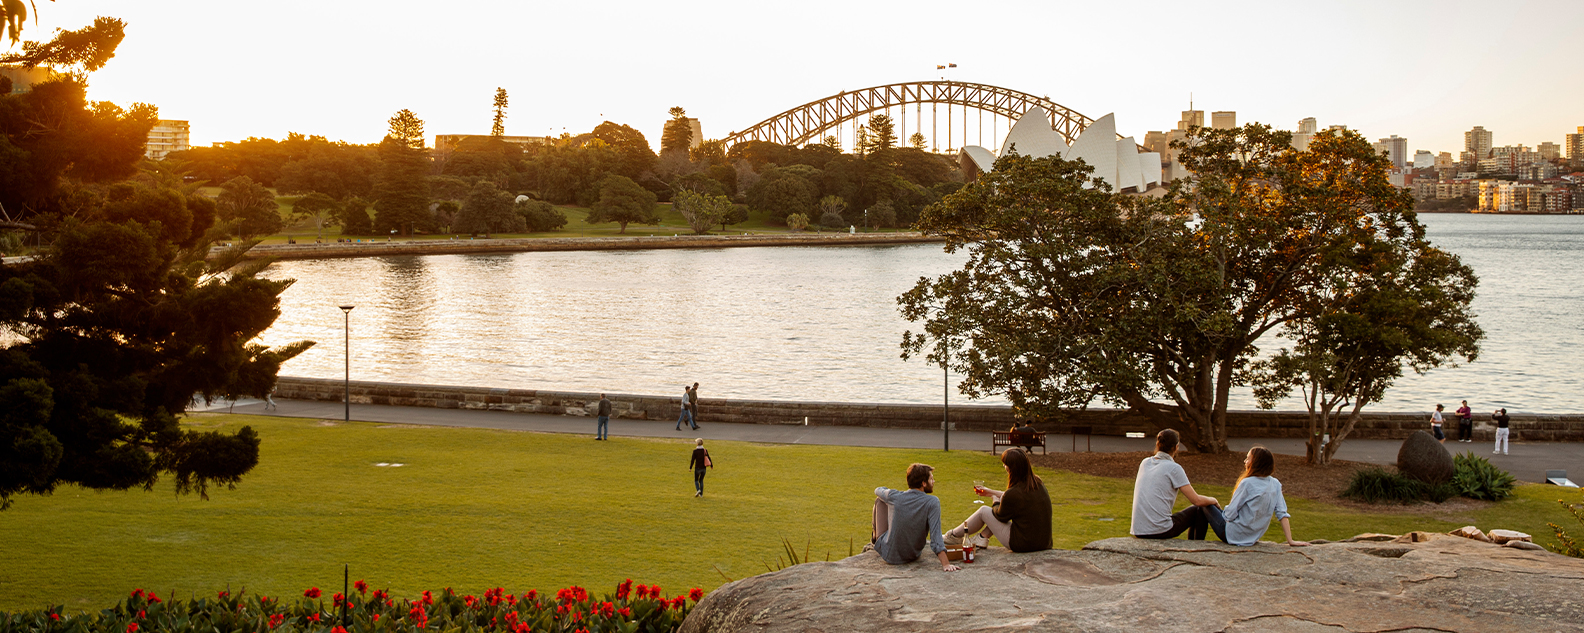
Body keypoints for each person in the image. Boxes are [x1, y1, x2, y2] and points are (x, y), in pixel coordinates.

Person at [944, 448, 1052, 553]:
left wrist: (995, 500)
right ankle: (982, 537)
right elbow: (1013, 499)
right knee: (996, 511)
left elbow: (1000, 515)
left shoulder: (1014, 493)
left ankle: (953, 536)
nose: (1004, 466)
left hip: (1023, 544)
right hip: (1043, 542)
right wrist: (991, 492)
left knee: (983, 511)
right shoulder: (1037, 483)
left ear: (1011, 468)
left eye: (1005, 464)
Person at [1131, 429, 1224, 541]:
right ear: (1176, 447)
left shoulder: (1145, 463)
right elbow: (1196, 500)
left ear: (1158, 444)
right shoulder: (1174, 468)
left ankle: (1194, 545)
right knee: (1200, 509)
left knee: (1195, 510)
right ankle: (1196, 546)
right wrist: (1213, 500)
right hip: (1159, 530)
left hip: (1139, 530)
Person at [867, 463, 960, 572]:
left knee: (880, 500)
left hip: (889, 555)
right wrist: (946, 564)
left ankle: (875, 537)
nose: (934, 482)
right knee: (884, 501)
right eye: (931, 479)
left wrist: (893, 495)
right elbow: (936, 537)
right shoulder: (932, 502)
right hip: (913, 554)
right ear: (923, 483)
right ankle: (876, 538)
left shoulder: (895, 496)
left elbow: (878, 490)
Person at [1213, 446, 1310, 547]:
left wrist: (1215, 506)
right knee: (1203, 507)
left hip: (1233, 535)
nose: (1245, 461)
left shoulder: (1247, 483)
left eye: (1248, 458)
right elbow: (1282, 514)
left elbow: (1230, 514)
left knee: (1203, 506)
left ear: (1255, 462)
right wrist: (1291, 541)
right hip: (1252, 537)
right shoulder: (1275, 484)